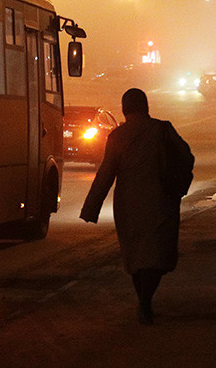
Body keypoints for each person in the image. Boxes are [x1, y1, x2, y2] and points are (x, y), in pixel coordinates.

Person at [81, 88, 194, 325]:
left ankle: (143, 301)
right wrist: (179, 186)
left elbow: (105, 174)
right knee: (158, 255)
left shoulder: (117, 136)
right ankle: (146, 300)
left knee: (135, 256)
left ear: (124, 110)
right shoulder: (162, 130)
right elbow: (186, 156)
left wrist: (91, 208)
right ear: (146, 106)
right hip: (161, 202)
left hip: (128, 206)